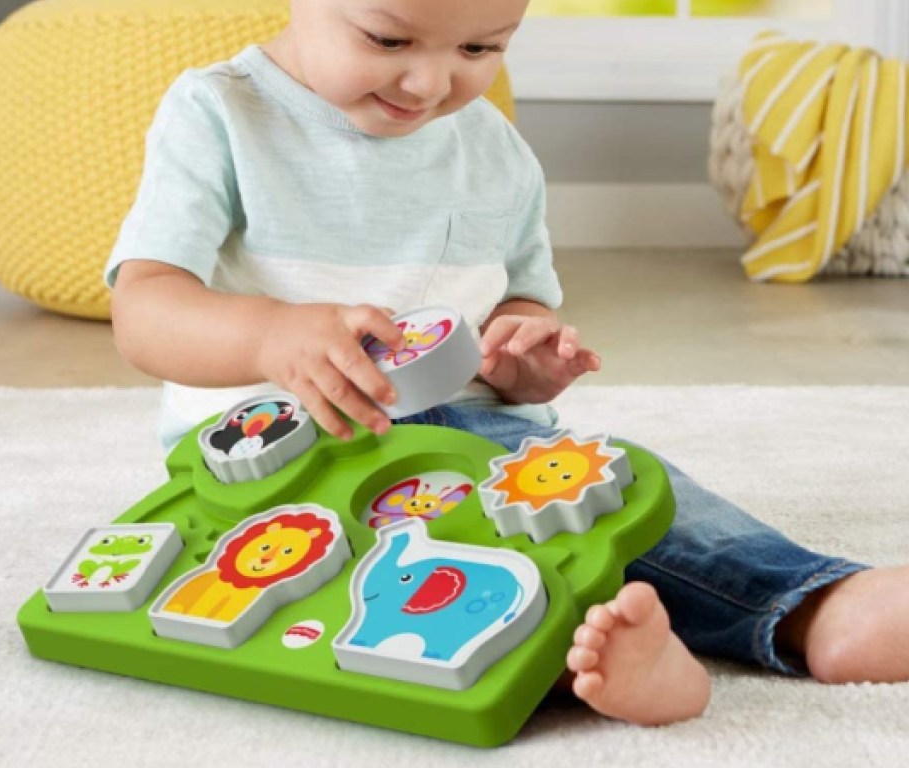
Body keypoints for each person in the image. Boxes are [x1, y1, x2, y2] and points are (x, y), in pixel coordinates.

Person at [105, 0, 909, 726]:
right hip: (272, 461)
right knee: (381, 580)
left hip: (461, 439)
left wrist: (523, 353)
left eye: (482, 47)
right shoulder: (220, 111)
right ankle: (621, 649)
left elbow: (519, 301)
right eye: (388, 38)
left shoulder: (495, 148)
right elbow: (143, 308)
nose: (428, 82)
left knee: (605, 484)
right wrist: (268, 337)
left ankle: (790, 609)